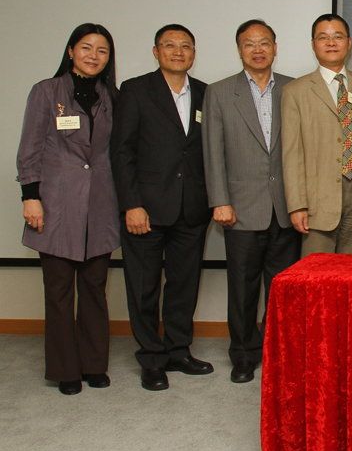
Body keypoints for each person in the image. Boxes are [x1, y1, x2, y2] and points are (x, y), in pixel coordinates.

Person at [16, 23, 120, 395]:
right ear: (72, 50)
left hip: (100, 204)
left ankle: (94, 364)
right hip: (56, 204)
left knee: (94, 287)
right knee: (59, 291)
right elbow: (30, 147)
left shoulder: (112, 96)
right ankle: (65, 369)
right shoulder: (47, 91)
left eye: (102, 50)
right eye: (87, 47)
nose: (94, 56)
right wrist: (31, 196)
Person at [111, 24, 212, 391]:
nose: (178, 51)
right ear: (156, 51)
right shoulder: (136, 90)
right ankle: (151, 358)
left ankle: (178, 350)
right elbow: (121, 152)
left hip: (192, 208)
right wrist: (131, 204)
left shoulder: (204, 93)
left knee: (184, 285)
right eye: (170, 45)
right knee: (144, 286)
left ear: (194, 53)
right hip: (147, 210)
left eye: (185, 46)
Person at [202, 19, 300, 384]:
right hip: (240, 208)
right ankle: (243, 354)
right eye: (249, 44)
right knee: (242, 288)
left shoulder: (293, 89)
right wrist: (220, 200)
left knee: (281, 290)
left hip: (286, 207)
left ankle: (277, 353)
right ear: (239, 49)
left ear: (276, 47)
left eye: (264, 43)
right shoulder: (219, 92)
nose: (257, 50)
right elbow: (213, 151)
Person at [282, 14, 352, 255]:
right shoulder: (296, 91)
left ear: (349, 42)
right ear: (313, 44)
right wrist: (297, 205)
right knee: (315, 280)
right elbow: (291, 153)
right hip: (316, 203)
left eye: (338, 37)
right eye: (323, 38)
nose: (331, 43)